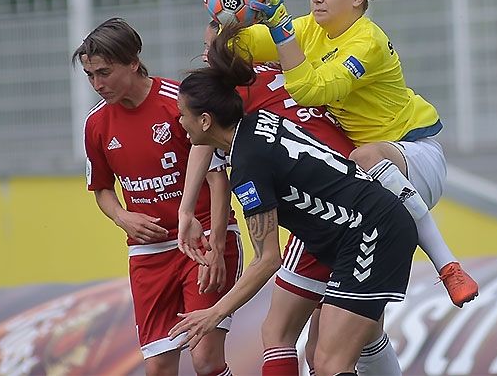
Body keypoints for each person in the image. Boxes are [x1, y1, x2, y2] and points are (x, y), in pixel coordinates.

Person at [169, 22, 419, 376]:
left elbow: (267, 260)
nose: (180, 123)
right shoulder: (257, 124)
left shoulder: (249, 165)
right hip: (364, 230)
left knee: (330, 362)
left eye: (184, 115)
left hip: (371, 234)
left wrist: (215, 312)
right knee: (327, 356)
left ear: (206, 120)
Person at [239, 0, 478, 307]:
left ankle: (447, 265)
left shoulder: (367, 41)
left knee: (364, 155)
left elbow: (312, 91)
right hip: (370, 180)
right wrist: (231, 3)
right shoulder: (308, 29)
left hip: (413, 157)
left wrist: (279, 29)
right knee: (348, 336)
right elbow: (235, 46)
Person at [74, 17, 241, 376]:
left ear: (133, 62)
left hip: (203, 243)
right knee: (159, 369)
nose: (97, 84)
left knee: (205, 358)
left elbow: (216, 176)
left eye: (104, 72)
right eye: (90, 76)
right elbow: (102, 190)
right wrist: (123, 216)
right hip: (148, 256)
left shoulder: (178, 104)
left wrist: (215, 242)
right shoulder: (96, 124)